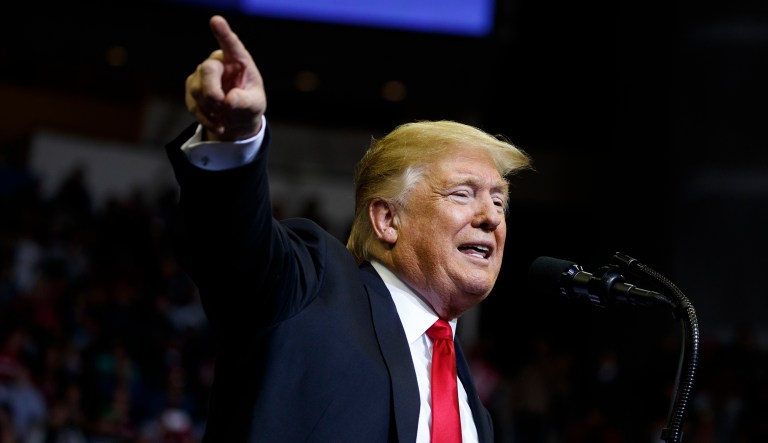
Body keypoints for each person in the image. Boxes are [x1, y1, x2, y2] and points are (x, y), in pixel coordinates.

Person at [165, 14, 532, 443]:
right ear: (387, 219)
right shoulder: (313, 288)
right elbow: (234, 249)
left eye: (499, 200)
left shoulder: (476, 414)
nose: (490, 216)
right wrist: (233, 140)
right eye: (463, 194)